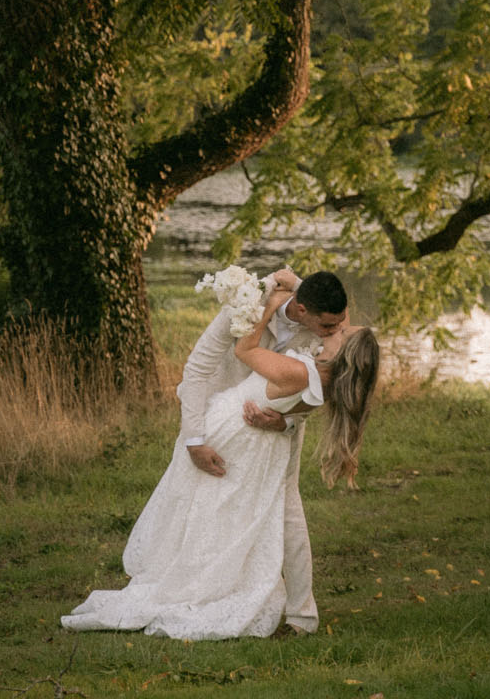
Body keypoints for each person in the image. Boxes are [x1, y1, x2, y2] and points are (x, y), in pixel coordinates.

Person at [61, 269, 381, 642]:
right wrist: (194, 439)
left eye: (339, 325)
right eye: (330, 325)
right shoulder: (247, 304)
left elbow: (332, 379)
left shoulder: (328, 332)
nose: (335, 330)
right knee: (204, 508)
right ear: (304, 309)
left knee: (286, 511)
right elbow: (196, 371)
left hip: (276, 428)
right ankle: (210, 587)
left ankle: (301, 615)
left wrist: (285, 424)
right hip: (222, 418)